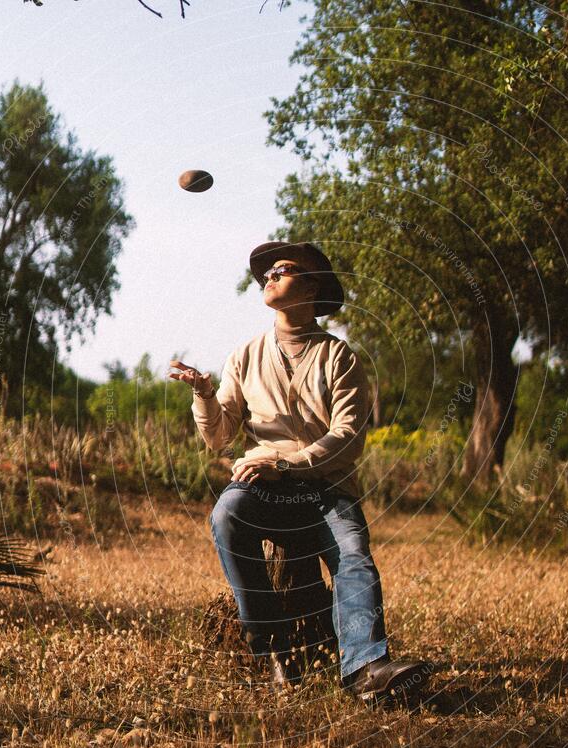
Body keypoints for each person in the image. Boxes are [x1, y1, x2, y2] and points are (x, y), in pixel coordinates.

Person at [169, 241, 432, 703]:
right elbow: (219, 438)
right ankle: (274, 647)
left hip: (326, 491)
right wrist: (205, 396)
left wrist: (285, 463)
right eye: (266, 273)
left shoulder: (340, 357)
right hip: (261, 492)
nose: (270, 277)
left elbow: (348, 435)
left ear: (312, 287)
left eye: (283, 270)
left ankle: (366, 669)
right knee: (228, 513)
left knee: (353, 551)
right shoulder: (245, 355)